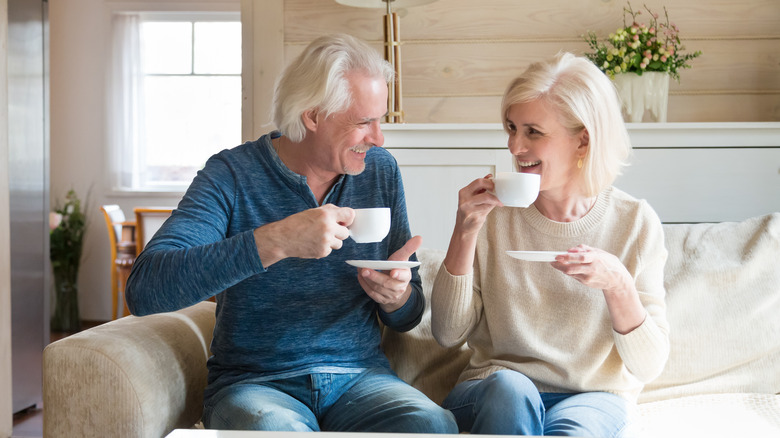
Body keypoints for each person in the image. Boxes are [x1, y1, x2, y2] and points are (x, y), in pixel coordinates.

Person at [125, 33, 457, 434]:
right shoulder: (232, 175)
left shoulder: (379, 170)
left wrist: (397, 297)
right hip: (255, 386)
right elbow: (145, 289)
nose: (378, 137)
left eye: (380, 119)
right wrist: (276, 240)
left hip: (360, 379)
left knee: (434, 425)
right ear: (312, 116)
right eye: (363, 122)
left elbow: (409, 315)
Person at [431, 51, 670, 437]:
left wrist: (618, 283)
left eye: (533, 132)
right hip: (497, 387)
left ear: (583, 141)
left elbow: (649, 365)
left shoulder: (635, 222)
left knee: (575, 430)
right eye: (511, 128)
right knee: (511, 390)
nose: (514, 146)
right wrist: (463, 231)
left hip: (594, 395)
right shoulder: (492, 214)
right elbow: (448, 333)